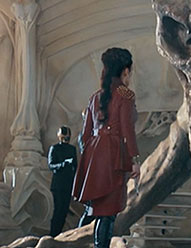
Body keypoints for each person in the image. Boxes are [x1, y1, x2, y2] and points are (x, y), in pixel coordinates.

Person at [72, 48, 140, 248]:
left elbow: (84, 136)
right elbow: (128, 130)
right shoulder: (126, 95)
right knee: (108, 214)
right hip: (114, 155)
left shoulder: (95, 97)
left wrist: (90, 159)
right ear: (125, 71)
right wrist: (135, 160)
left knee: (95, 210)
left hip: (94, 156)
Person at [48, 126, 78, 237]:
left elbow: (75, 166)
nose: (66, 139)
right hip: (58, 185)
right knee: (58, 210)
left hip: (68, 184)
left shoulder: (72, 149)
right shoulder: (55, 148)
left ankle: (58, 234)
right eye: (64, 137)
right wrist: (63, 164)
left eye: (68, 137)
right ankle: (53, 234)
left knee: (64, 210)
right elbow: (51, 165)